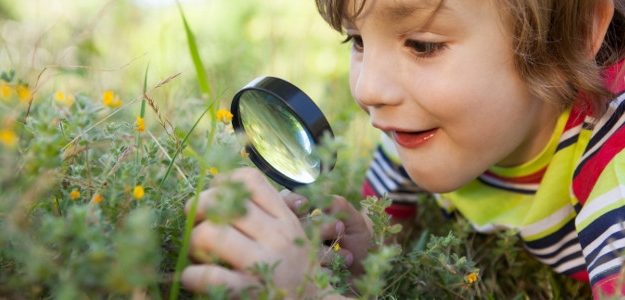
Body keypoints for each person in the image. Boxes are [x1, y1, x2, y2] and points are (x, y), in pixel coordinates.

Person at [182, 0, 625, 298]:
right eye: (357, 41)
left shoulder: (614, 157)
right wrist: (362, 261)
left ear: (574, 34)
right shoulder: (417, 126)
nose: (369, 89)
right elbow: (384, 247)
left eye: (423, 45)